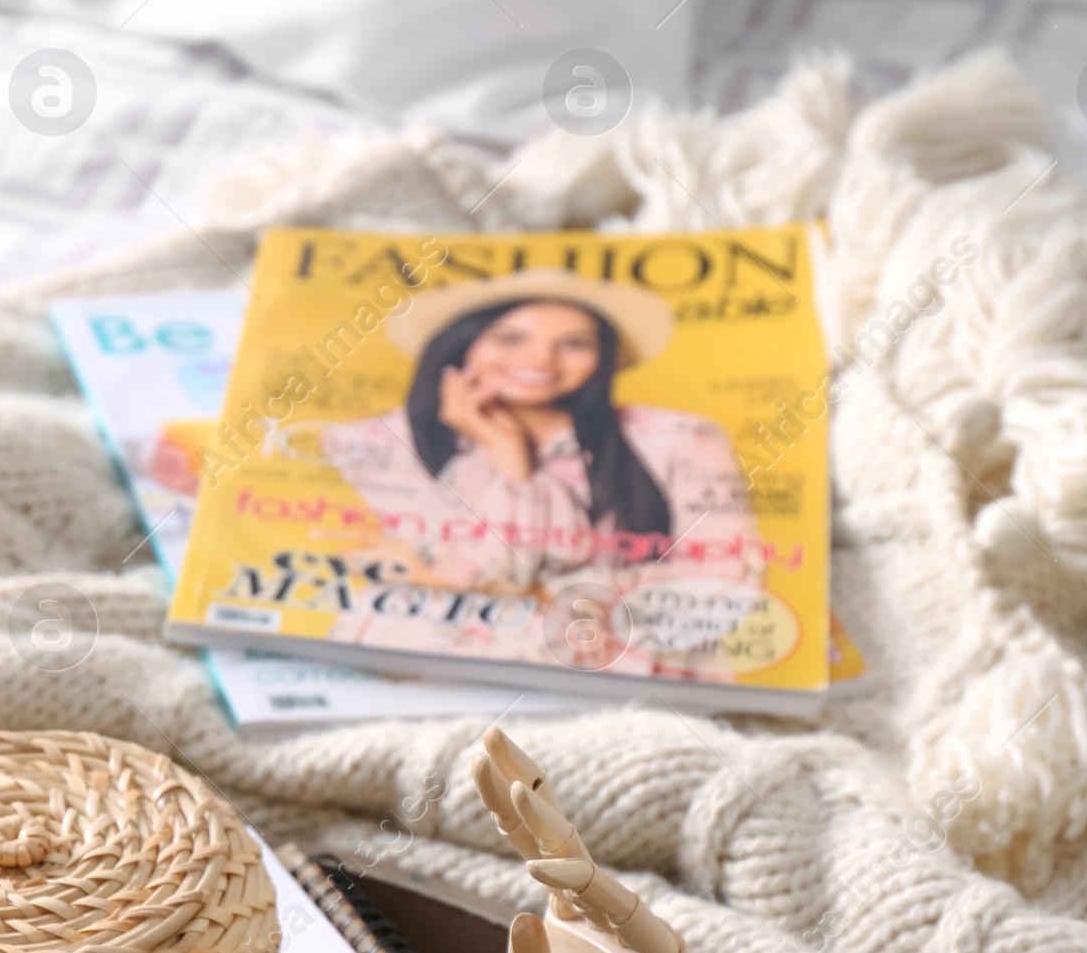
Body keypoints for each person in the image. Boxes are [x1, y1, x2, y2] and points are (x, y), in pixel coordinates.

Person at [318, 269, 765, 678]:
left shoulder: (681, 438)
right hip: (429, 675)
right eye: (510, 338)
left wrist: (519, 589)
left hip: (615, 677)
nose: (541, 358)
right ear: (461, 345)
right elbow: (481, 571)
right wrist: (511, 458)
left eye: (575, 343)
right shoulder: (377, 442)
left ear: (602, 355)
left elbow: (726, 583)